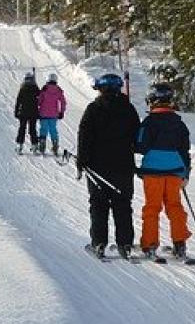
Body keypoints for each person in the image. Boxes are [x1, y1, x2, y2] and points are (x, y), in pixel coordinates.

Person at [76, 73, 140, 260]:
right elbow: (137, 137)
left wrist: (82, 162)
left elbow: (84, 137)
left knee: (98, 205)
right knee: (123, 205)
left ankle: (99, 243)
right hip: (123, 166)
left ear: (100, 89)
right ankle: (125, 244)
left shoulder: (94, 109)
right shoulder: (129, 109)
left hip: (97, 167)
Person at [136, 83, 193, 261]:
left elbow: (140, 145)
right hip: (175, 171)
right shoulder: (179, 123)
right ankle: (180, 244)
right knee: (174, 207)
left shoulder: (148, 122)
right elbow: (185, 150)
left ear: (152, 100)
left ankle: (150, 244)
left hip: (153, 171)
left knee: (152, 207)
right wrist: (186, 173)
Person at [36, 73, 66, 155]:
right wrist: (62, 112)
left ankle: (42, 146)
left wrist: (37, 108)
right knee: (53, 130)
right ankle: (55, 146)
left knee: (43, 129)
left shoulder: (44, 89)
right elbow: (63, 102)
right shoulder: (59, 90)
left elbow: (39, 101)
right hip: (54, 114)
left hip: (43, 113)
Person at [14, 71, 40, 155]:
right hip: (33, 113)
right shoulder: (36, 89)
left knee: (22, 129)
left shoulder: (23, 89)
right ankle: (35, 145)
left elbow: (18, 102)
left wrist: (16, 111)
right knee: (32, 129)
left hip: (23, 113)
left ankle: (19, 145)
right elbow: (40, 101)